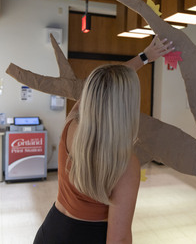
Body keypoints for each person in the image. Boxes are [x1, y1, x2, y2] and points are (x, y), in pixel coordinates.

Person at [33, 36, 174, 244]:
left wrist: (144, 57)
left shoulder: (71, 124)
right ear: (125, 106)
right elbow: (119, 239)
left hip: (51, 230)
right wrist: (144, 58)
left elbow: (101, 83)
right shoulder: (125, 163)